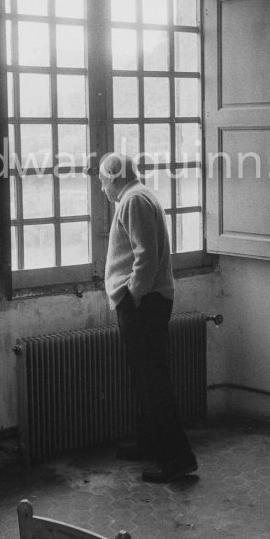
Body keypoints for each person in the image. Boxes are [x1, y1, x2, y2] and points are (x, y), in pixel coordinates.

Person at [99, 152, 197, 483]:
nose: (102, 188)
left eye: (102, 180)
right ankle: (150, 444)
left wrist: (134, 296)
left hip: (143, 302)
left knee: (153, 382)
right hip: (143, 300)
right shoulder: (136, 196)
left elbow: (146, 256)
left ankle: (178, 460)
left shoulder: (133, 200)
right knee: (145, 378)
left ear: (114, 176)